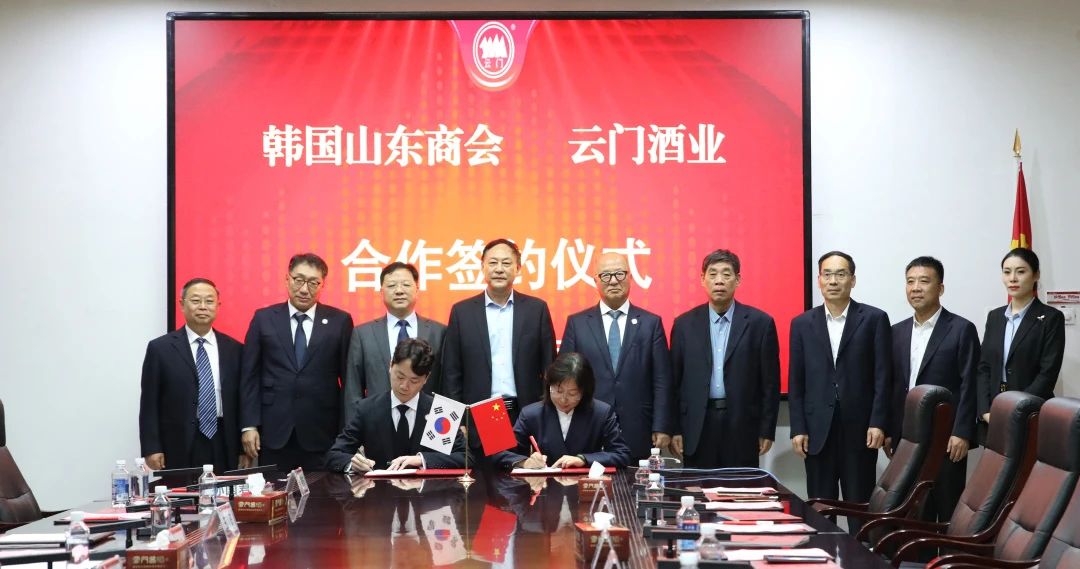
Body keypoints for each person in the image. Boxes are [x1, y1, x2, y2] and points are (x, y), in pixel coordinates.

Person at [788, 251, 891, 515]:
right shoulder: (801, 324)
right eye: (827, 274)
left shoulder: (874, 319)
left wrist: (878, 422)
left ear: (852, 280)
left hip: (860, 429)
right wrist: (798, 427)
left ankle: (860, 544)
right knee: (821, 508)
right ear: (819, 280)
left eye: (841, 274)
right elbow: (796, 381)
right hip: (816, 431)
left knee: (859, 506)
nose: (833, 281)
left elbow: (883, 376)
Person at [240, 253, 354, 471]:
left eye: (313, 283)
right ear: (287, 279)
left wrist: (348, 432)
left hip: (322, 432)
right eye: (298, 280)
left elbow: (349, 380)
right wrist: (249, 425)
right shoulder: (264, 318)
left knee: (323, 491)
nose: (304, 289)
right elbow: (249, 376)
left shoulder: (340, 321)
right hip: (273, 431)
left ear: (322, 285)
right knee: (274, 490)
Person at [888, 256, 979, 523]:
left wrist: (962, 432)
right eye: (910, 282)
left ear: (940, 288)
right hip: (908, 438)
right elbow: (893, 386)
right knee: (913, 511)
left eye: (924, 281)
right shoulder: (896, 332)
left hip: (946, 438)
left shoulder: (961, 329)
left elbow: (970, 383)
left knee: (948, 511)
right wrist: (892, 431)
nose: (916, 288)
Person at [670, 249, 781, 468]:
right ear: (702, 279)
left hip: (742, 426)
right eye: (712, 274)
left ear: (738, 280)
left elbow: (770, 383)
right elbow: (673, 382)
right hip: (697, 426)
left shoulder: (760, 324)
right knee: (699, 487)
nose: (719, 280)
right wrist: (675, 428)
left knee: (740, 488)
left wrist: (767, 429)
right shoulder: (684, 325)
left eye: (726, 274)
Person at [559, 252, 673, 459]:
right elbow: (564, 378)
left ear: (630, 277)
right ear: (595, 280)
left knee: (636, 478)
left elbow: (662, 379)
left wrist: (662, 425)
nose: (613, 281)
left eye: (619, 274)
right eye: (605, 275)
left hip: (639, 425)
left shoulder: (650, 323)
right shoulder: (577, 323)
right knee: (588, 477)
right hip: (588, 423)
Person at [441, 239, 556, 424]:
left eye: (506, 263)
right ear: (482, 267)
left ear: (518, 268)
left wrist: (546, 411)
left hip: (527, 412)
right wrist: (458, 422)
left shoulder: (536, 310)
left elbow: (550, 366)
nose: (499, 269)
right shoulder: (462, 312)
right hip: (480, 413)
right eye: (493, 262)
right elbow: (451, 373)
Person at [139, 278, 244, 474]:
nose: (203, 306)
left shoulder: (235, 349)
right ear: (182, 305)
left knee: (224, 491)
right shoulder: (160, 349)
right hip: (178, 440)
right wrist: (151, 447)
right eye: (195, 300)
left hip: (223, 438)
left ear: (218, 306)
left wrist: (242, 448)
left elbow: (243, 400)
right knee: (181, 492)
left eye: (209, 301)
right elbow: (149, 403)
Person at [326, 339, 466, 473]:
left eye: (414, 381)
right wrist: (353, 463)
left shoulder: (439, 410)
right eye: (400, 377)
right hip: (378, 488)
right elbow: (334, 454)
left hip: (427, 489)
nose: (404, 386)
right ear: (390, 365)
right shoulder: (367, 409)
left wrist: (422, 460)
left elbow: (464, 457)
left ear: (426, 378)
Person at [343, 262, 447, 422]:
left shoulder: (439, 332)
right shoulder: (362, 334)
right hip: (376, 424)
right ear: (381, 292)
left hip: (427, 424)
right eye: (392, 285)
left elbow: (447, 385)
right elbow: (353, 389)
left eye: (406, 284)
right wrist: (356, 430)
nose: (399, 290)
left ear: (417, 289)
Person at [976, 248, 1065, 429]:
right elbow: (984, 367)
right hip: (993, 412)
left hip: (1031, 413)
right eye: (1007, 272)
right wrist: (985, 410)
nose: (1013, 278)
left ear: (1036, 275)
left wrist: (1017, 408)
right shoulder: (995, 317)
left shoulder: (1051, 318)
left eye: (1021, 271)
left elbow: (1047, 374)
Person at [495, 352, 630, 470]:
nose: (563, 399)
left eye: (572, 393)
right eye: (558, 391)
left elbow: (622, 454)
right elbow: (499, 453)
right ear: (549, 386)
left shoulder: (601, 413)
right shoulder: (531, 414)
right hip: (544, 487)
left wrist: (583, 459)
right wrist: (525, 462)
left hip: (584, 486)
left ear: (584, 392)